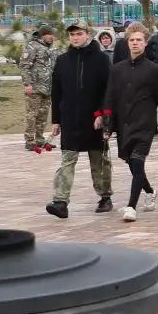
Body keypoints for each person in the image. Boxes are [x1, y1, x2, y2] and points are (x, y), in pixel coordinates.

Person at [45, 21, 113, 218]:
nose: (75, 38)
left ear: (88, 34)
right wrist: (56, 120)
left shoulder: (101, 59)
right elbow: (56, 92)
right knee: (67, 160)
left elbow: (108, 90)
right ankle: (60, 201)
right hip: (70, 119)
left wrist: (102, 114)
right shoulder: (63, 60)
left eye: (79, 34)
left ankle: (105, 196)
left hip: (94, 120)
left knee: (99, 161)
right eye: (72, 34)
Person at [104, 23, 158, 221]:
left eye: (139, 40)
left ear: (145, 43)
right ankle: (149, 191)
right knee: (132, 163)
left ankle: (131, 206)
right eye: (132, 40)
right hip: (123, 123)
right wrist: (108, 125)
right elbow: (110, 98)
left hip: (144, 123)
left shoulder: (154, 70)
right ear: (127, 42)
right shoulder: (117, 69)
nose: (135, 43)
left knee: (138, 161)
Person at [19, 24, 59, 152]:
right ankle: (30, 140)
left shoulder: (51, 49)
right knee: (32, 114)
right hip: (35, 88)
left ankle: (40, 139)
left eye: (52, 35)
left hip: (47, 88)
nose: (52, 37)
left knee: (43, 114)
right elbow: (24, 65)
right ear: (43, 35)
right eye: (49, 35)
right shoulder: (32, 46)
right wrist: (27, 84)